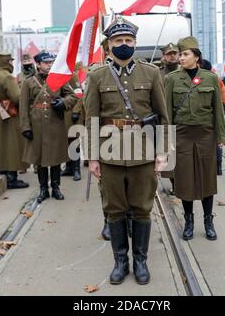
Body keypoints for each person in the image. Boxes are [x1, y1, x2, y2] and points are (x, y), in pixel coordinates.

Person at [85, 16, 169, 285]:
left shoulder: (151, 73)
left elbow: (163, 116)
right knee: (115, 210)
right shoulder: (97, 76)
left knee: (142, 209)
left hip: (143, 151)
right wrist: (92, 156)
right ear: (109, 45)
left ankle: (140, 261)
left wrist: (163, 152)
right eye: (119, 40)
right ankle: (120, 262)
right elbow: (91, 119)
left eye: (129, 40)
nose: (124, 44)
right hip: (109, 152)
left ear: (135, 43)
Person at [165, 37, 225, 242]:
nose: (181, 58)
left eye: (185, 54)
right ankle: (189, 221)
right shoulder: (172, 79)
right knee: (185, 180)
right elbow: (167, 111)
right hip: (182, 135)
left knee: (207, 178)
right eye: (180, 54)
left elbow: (218, 109)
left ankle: (209, 221)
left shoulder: (210, 78)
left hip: (205, 135)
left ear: (196, 56)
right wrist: (167, 138)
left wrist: (221, 135)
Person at [19, 51, 77, 202]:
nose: (50, 65)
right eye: (46, 62)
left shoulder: (58, 79)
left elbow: (72, 96)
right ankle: (43, 189)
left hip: (55, 124)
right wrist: (25, 127)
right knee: (40, 160)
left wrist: (63, 103)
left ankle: (56, 188)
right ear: (38, 64)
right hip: (37, 125)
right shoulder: (28, 82)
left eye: (51, 62)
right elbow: (23, 107)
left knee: (55, 159)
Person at [0, 53, 29, 189]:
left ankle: (2, 172)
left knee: (1, 145)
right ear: (8, 62)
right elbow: (17, 97)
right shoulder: (7, 76)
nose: (12, 63)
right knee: (12, 146)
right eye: (11, 61)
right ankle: (12, 178)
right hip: (11, 113)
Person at [200, 59, 225, 176]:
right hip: (215, 116)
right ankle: (218, 166)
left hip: (201, 119)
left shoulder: (194, 80)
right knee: (217, 141)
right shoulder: (217, 80)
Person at [158, 43, 179, 195]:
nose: (172, 56)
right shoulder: (157, 74)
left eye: (174, 53)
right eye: (169, 53)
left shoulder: (184, 72)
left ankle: (181, 182)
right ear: (163, 56)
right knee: (168, 154)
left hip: (180, 119)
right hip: (163, 119)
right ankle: (174, 182)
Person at [61, 62, 84, 182]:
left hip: (72, 114)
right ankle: (69, 167)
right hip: (63, 113)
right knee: (66, 142)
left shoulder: (72, 75)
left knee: (73, 142)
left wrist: (76, 111)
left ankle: (76, 169)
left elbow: (79, 93)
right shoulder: (59, 75)